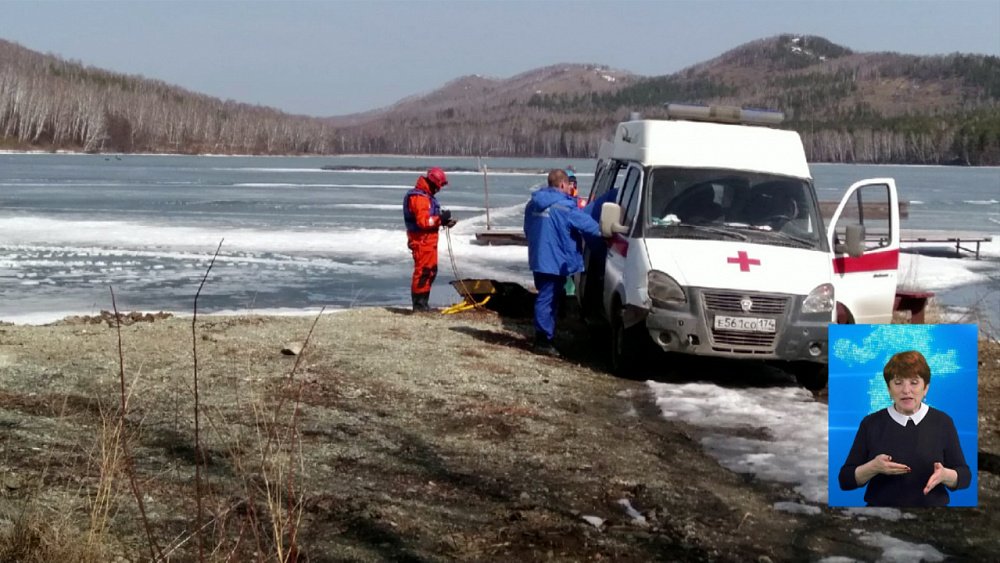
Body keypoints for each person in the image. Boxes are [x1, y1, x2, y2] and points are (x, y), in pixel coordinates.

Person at [837, 350, 971, 507]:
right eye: (898, 382)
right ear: (889, 389)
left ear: (926, 388)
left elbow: (965, 476)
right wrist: (872, 467)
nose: (906, 390)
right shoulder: (871, 423)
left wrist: (945, 475)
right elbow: (845, 480)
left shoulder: (943, 422)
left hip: (932, 519)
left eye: (914, 382)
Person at [523, 169, 603, 356]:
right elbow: (591, 228)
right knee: (547, 298)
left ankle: (547, 333)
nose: (570, 189)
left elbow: (527, 228)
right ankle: (543, 339)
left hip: (538, 257)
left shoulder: (532, 205)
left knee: (547, 295)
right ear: (562, 185)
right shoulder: (565, 208)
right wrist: (608, 234)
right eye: (568, 185)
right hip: (556, 260)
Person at [403, 167, 456, 312]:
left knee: (430, 271)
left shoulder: (426, 196)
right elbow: (423, 222)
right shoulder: (419, 198)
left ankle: (423, 304)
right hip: (422, 242)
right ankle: (419, 307)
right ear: (434, 183)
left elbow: (429, 221)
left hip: (429, 242)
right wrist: (440, 218)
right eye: (439, 186)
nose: (439, 190)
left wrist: (443, 222)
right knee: (423, 273)